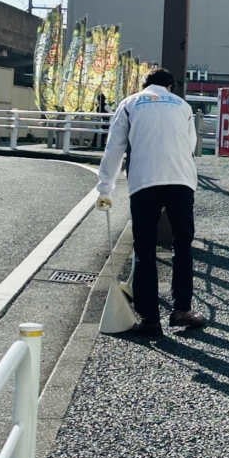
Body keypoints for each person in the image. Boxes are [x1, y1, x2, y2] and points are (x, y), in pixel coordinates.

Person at [95, 68, 205, 335]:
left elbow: (115, 148)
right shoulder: (182, 105)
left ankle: (150, 319)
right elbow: (190, 143)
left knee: (144, 248)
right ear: (170, 86)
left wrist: (105, 190)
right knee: (182, 244)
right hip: (181, 179)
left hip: (145, 180)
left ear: (144, 85)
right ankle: (182, 311)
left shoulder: (130, 103)